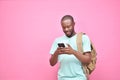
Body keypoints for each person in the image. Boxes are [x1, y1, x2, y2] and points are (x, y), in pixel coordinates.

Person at [49, 15, 92, 80]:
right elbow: (52, 63)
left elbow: (88, 60)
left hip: (80, 78)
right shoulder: (57, 40)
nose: (66, 29)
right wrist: (56, 53)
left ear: (74, 24)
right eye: (64, 27)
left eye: (68, 26)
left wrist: (73, 52)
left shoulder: (83, 38)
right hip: (62, 78)